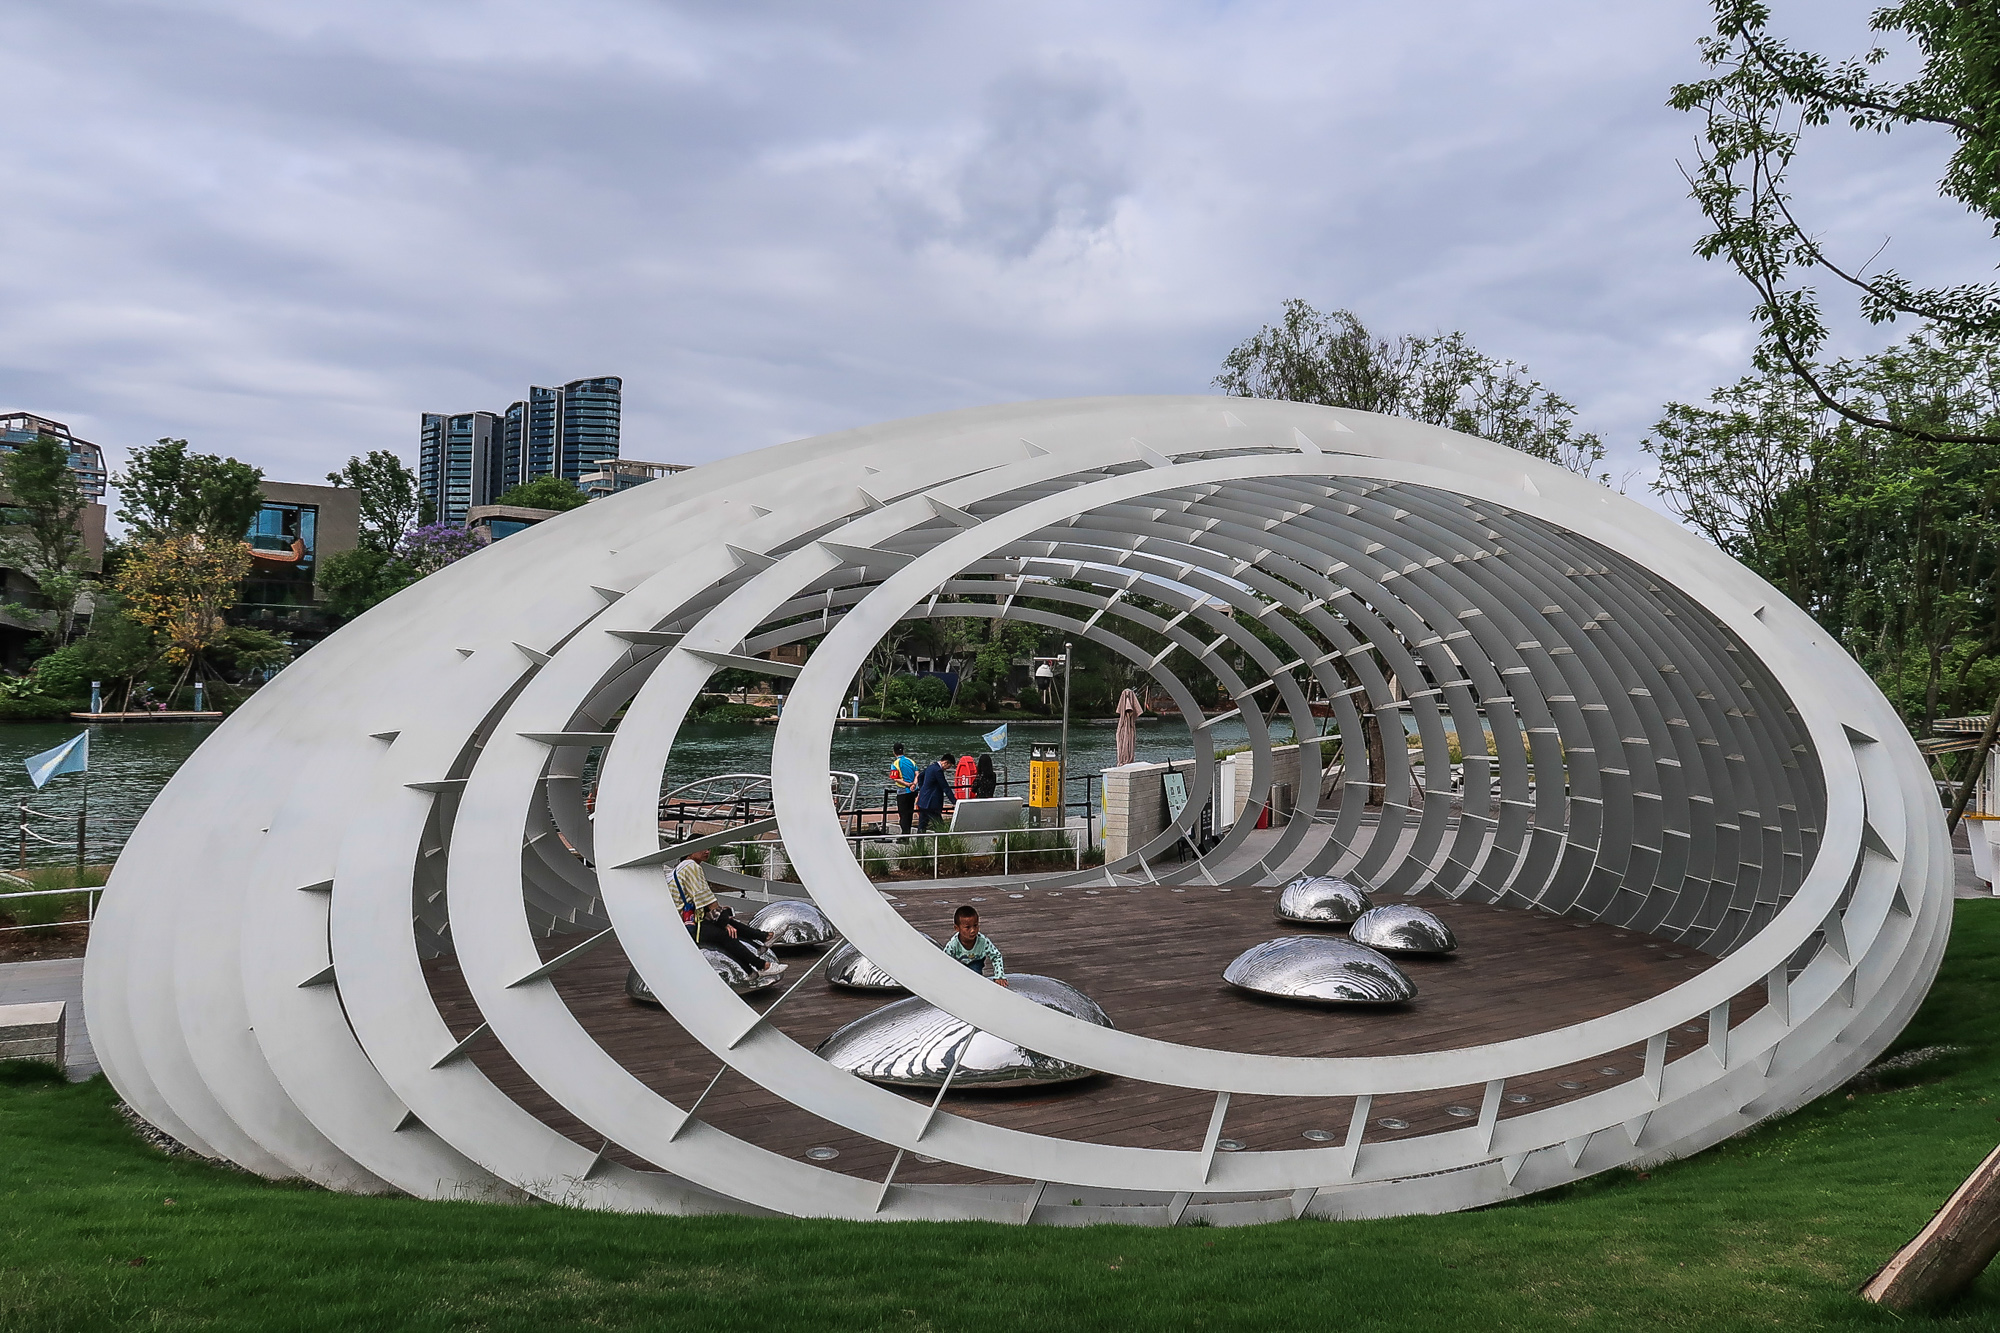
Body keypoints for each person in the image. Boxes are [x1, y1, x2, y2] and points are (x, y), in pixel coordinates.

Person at [669, 848, 783, 978]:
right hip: (688, 925)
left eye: (709, 848)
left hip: (684, 920)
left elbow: (699, 900)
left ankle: (761, 946)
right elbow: (707, 900)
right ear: (690, 850)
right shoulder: (691, 867)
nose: (707, 851)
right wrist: (723, 922)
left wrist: (723, 919)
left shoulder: (679, 868)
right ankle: (760, 964)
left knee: (727, 924)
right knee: (725, 934)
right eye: (701, 848)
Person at [944, 905, 1007, 986]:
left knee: (975, 977)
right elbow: (944, 959)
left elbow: (996, 955)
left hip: (976, 962)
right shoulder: (953, 944)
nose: (973, 930)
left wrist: (999, 976)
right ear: (957, 928)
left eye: (975, 925)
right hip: (958, 964)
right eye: (967, 927)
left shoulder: (983, 941)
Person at [916, 751, 955, 833]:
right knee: (940, 826)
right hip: (931, 804)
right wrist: (954, 801)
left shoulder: (931, 767)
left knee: (922, 826)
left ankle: (920, 845)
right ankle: (942, 844)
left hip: (923, 801)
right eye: (949, 766)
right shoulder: (938, 771)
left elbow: (920, 777)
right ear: (945, 762)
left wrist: (922, 789)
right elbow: (945, 787)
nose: (947, 769)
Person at [888, 743, 918, 835]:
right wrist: (914, 784)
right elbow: (917, 774)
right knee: (909, 814)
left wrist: (908, 784)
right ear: (903, 751)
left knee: (903, 815)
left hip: (903, 792)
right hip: (913, 791)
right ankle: (907, 834)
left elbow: (895, 778)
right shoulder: (911, 761)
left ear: (894, 752)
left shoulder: (895, 764)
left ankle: (904, 836)